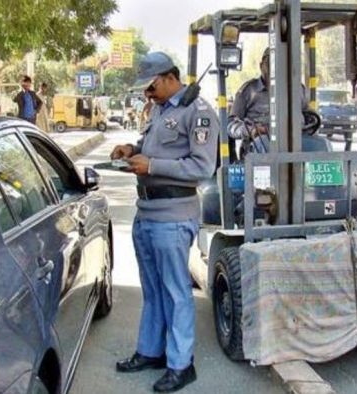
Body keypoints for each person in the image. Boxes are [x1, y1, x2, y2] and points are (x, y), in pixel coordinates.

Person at [110, 52, 218, 393]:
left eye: (151, 86)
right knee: (153, 290)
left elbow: (202, 168)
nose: (147, 93)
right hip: (147, 213)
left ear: (169, 77)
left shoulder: (198, 113)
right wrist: (131, 149)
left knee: (175, 292)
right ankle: (151, 351)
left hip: (173, 216)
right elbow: (150, 145)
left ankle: (181, 364)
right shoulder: (159, 109)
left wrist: (152, 166)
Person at [228, 48, 312, 159]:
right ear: (261, 66)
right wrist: (250, 130)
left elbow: (310, 117)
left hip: (296, 148)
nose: (274, 69)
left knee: (321, 145)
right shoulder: (248, 91)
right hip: (258, 150)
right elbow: (231, 124)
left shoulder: (298, 89)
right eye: (270, 64)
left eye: (279, 65)